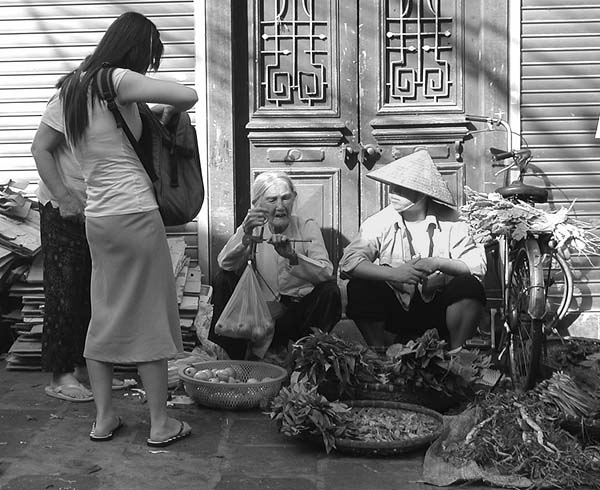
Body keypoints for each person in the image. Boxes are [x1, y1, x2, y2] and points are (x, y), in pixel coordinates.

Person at [47, 11, 197, 446]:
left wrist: (67, 197)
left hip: (99, 219)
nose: (150, 67)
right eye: (150, 56)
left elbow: (41, 148)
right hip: (135, 214)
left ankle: (104, 418)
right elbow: (187, 94)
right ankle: (160, 424)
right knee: (149, 317)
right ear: (136, 49)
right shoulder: (117, 80)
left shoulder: (70, 89)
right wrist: (160, 102)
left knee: (105, 315)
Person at [31, 95, 135, 403]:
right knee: (65, 291)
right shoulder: (69, 100)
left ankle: (91, 368)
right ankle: (61, 375)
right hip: (63, 208)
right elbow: (40, 149)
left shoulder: (117, 100)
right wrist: (64, 198)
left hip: (99, 210)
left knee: (98, 292)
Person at [339, 149, 487, 352]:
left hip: (440, 309)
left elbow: (475, 266)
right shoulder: (381, 221)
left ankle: (457, 353)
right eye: (391, 187)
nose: (392, 193)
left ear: (421, 193)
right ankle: (381, 353)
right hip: (397, 311)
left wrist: (437, 264)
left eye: (401, 189)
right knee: (360, 287)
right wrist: (396, 274)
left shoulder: (452, 220)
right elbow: (348, 263)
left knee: (469, 285)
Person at [208, 171, 342, 359]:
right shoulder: (252, 226)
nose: (280, 206)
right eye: (272, 200)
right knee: (223, 278)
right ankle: (233, 357)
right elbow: (225, 263)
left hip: (294, 314)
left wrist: (293, 257)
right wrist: (245, 237)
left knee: (330, 291)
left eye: (286, 198)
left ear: (294, 198)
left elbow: (326, 272)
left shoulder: (306, 227)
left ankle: (308, 356)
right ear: (257, 204)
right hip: (254, 316)